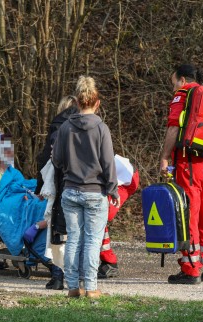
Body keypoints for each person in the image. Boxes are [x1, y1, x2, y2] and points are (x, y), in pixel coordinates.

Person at [52, 76, 119, 299]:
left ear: (77, 102)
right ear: (97, 103)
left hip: (70, 190)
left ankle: (72, 286)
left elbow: (57, 161)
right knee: (92, 240)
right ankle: (91, 287)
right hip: (94, 192)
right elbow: (108, 162)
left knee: (73, 239)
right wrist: (113, 188)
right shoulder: (101, 128)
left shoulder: (64, 128)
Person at [159, 64, 203, 285]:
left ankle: (191, 269)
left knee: (189, 216)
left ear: (183, 80)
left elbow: (174, 127)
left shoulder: (184, 95)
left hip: (190, 164)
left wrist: (165, 157)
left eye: (174, 82)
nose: (173, 87)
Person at [34, 95, 79, 290]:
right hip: (82, 185)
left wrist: (39, 188)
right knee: (78, 232)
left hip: (60, 186)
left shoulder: (56, 128)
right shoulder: (85, 126)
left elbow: (45, 159)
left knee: (57, 231)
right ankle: (78, 277)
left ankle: (57, 276)